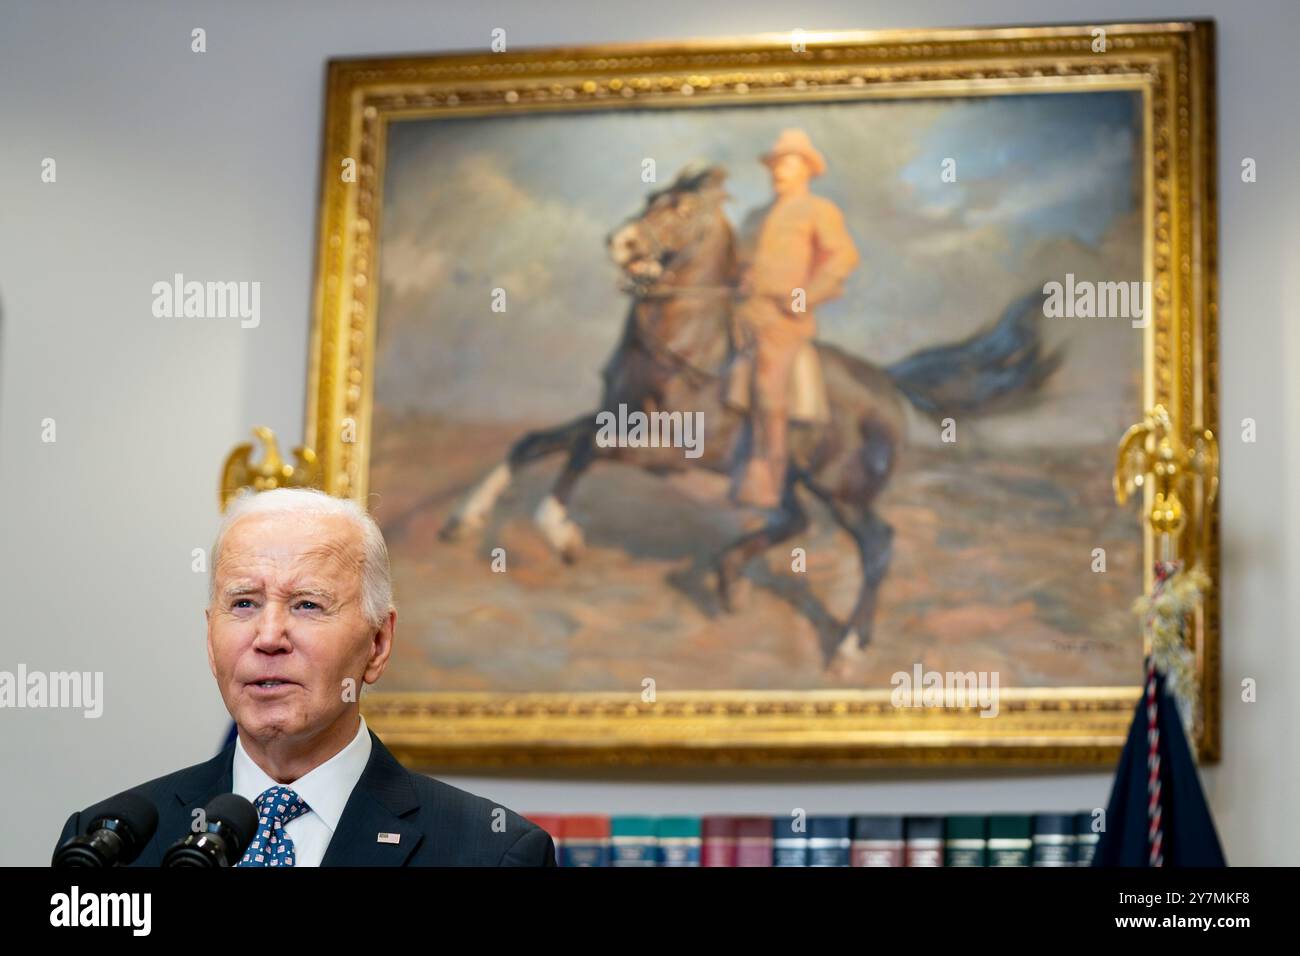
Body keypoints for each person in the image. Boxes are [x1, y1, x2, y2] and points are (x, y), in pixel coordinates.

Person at [54, 488, 555, 866]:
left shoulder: (493, 853)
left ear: (378, 644)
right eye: (244, 603)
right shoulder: (109, 846)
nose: (269, 636)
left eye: (308, 604)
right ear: (211, 639)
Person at [728, 128, 860, 509]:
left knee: (768, 385)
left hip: (783, 319)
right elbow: (737, 262)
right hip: (742, 313)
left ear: (807, 169)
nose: (778, 170)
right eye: (774, 164)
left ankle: (768, 477)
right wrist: (739, 278)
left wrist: (804, 296)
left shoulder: (819, 211)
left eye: (787, 163)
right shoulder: (754, 216)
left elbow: (842, 259)